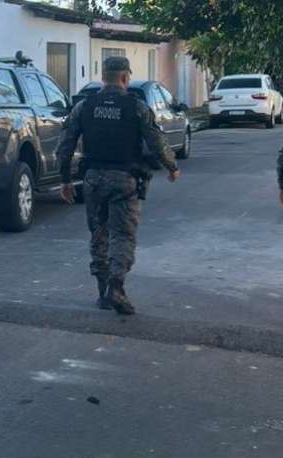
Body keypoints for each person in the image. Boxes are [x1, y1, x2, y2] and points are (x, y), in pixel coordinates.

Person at [57, 56, 180, 315]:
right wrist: (172, 167)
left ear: (103, 77)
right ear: (125, 77)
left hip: (92, 179)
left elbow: (65, 145)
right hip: (124, 180)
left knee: (98, 234)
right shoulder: (137, 107)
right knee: (123, 236)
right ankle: (116, 286)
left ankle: (102, 292)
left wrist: (65, 180)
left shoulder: (84, 107)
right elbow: (157, 143)